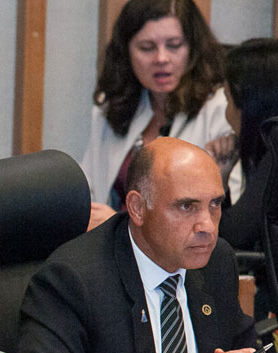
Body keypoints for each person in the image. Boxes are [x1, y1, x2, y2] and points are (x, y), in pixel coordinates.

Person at [9, 138, 275, 353]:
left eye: (215, 204)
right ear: (137, 207)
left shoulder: (216, 260)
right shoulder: (74, 277)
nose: (207, 226)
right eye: (187, 206)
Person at [82, 0, 232, 230]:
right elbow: (88, 191)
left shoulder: (222, 111)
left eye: (174, 45)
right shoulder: (111, 107)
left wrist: (118, 226)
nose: (161, 58)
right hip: (107, 253)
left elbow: (211, 219)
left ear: (193, 48)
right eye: (147, 47)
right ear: (126, 52)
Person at [209, 38, 278, 252]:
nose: (226, 113)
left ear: (250, 104)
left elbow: (234, 237)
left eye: (228, 99)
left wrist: (215, 180)